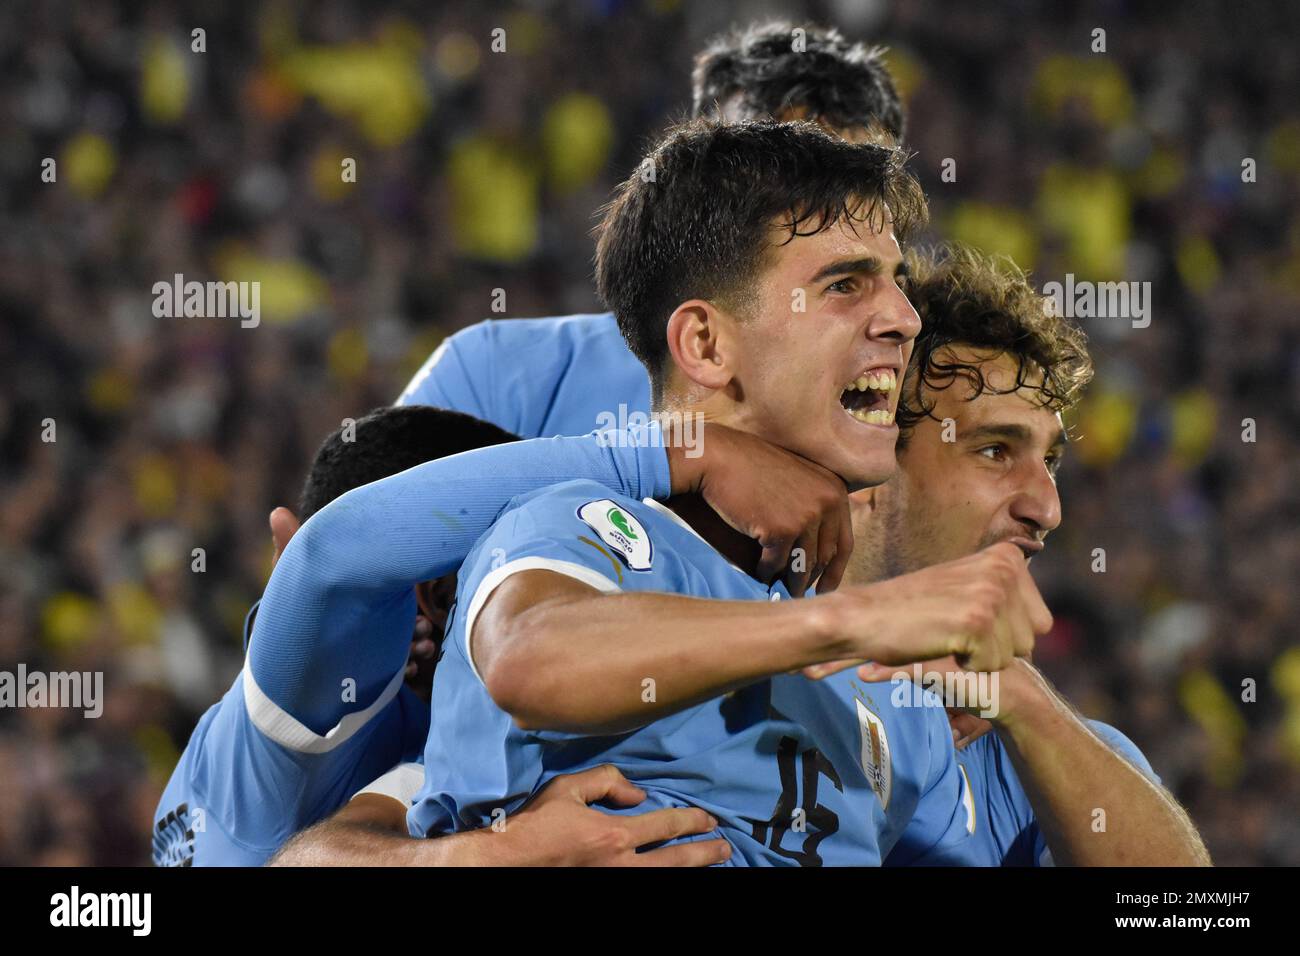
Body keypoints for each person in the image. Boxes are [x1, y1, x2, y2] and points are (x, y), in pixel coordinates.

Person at [153, 403, 855, 865]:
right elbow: (333, 555)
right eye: (492, 562)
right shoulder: (299, 709)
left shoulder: (466, 744)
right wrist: (681, 453)